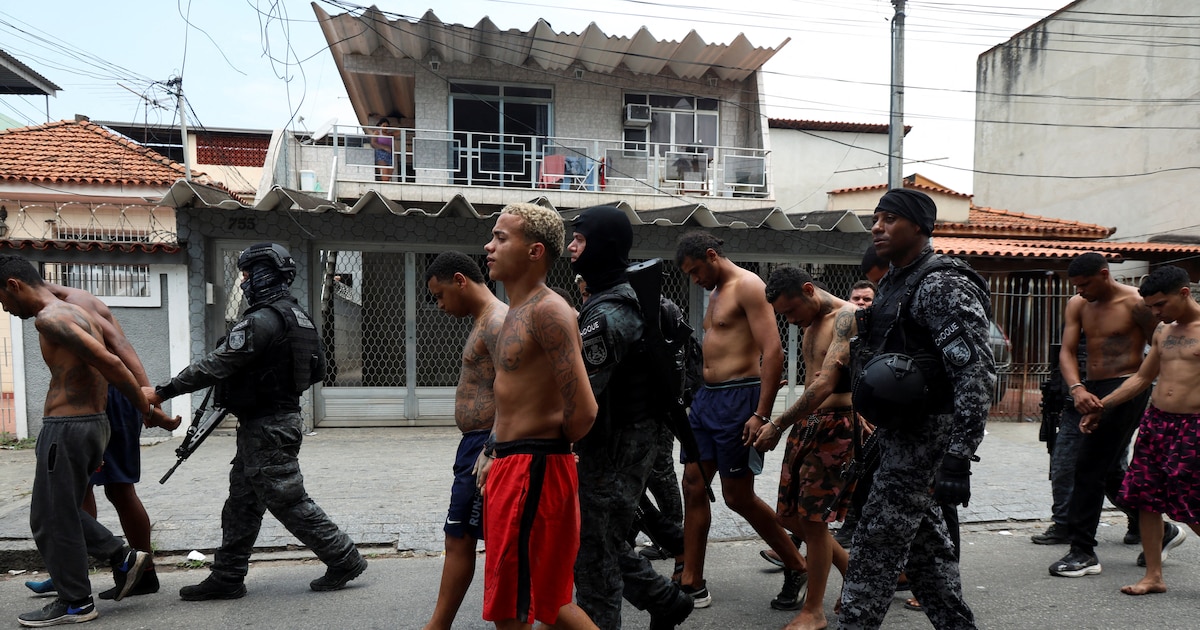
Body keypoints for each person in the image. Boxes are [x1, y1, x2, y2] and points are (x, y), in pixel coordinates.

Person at [145, 243, 367, 600]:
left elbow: (216, 365)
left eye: (247, 275)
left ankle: (343, 557)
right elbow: (314, 371)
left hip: (268, 425)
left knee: (287, 500)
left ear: (264, 276)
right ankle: (228, 576)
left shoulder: (262, 320)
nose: (244, 281)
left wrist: (162, 392)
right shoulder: (298, 317)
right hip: (269, 422)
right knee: (242, 503)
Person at [841, 188, 994, 629]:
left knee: (874, 548)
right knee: (926, 550)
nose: (877, 227)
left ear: (921, 228)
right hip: (898, 431)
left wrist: (959, 456)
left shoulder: (941, 283)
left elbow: (975, 374)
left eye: (889, 219)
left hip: (927, 433)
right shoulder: (893, 280)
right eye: (876, 218)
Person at [0, 254, 152, 627]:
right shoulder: (78, 309)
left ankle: (78, 600)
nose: (3, 307)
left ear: (14, 285)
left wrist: (149, 410)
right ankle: (118, 561)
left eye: (1, 299)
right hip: (87, 425)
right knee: (53, 511)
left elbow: (112, 362)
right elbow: (114, 348)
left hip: (68, 427)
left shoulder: (51, 318)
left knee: (55, 514)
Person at [567, 205, 694, 629]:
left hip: (614, 448)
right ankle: (665, 601)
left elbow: (581, 393)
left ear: (602, 246)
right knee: (602, 540)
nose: (571, 246)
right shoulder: (633, 298)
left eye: (579, 239)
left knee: (595, 557)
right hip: (627, 442)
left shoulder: (608, 314)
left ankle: (616, 618)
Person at [480, 202, 599, 629]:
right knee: (544, 602)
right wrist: (495, 450)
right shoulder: (516, 308)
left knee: (516, 608)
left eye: (500, 238)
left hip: (534, 468)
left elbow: (584, 409)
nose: (489, 246)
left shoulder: (549, 310)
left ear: (534, 251)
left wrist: (550, 451)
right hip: (515, 464)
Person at [22, 284, 180, 600]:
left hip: (108, 402)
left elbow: (119, 350)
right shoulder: (65, 303)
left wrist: (149, 403)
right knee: (83, 490)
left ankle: (137, 571)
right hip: (104, 402)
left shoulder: (75, 302)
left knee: (111, 490)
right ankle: (74, 571)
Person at [674, 231, 803, 608]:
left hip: (738, 400)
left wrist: (761, 413)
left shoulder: (749, 285)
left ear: (712, 255)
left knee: (737, 496)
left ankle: (796, 564)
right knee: (693, 484)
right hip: (706, 400)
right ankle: (691, 579)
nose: (695, 280)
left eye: (697, 271)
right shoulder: (715, 292)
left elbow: (773, 350)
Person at [1080, 265, 1199, 596]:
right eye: (1151, 306)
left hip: (1194, 427)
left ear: (1184, 293)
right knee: (1146, 498)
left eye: (1160, 305)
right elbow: (1142, 378)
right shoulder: (1163, 330)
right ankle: (1154, 576)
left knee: (1191, 503)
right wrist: (1102, 406)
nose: (1155, 313)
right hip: (1157, 422)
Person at [1047, 252, 1166, 578]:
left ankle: (1082, 550)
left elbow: (1160, 349)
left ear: (1104, 274)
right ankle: (1161, 530)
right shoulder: (1078, 304)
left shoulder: (1136, 304)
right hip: (1090, 388)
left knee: (1087, 466)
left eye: (1085, 284)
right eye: (1076, 286)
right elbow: (1067, 351)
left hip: (1129, 388)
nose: (1080, 290)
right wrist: (1077, 389)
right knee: (1110, 468)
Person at [754, 266, 857, 629]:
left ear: (809, 290)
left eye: (790, 311)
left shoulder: (847, 317)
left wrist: (777, 424)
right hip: (808, 424)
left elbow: (827, 382)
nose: (790, 321)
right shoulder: (812, 321)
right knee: (788, 515)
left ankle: (814, 612)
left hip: (836, 427)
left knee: (814, 522)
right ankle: (855, 575)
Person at [422, 251, 508, 630]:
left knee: (464, 537)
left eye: (440, 295)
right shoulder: (483, 321)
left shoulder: (498, 321)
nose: (439, 306)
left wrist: (493, 445)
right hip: (477, 445)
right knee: (460, 536)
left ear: (460, 280)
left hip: (487, 447)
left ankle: (438, 626)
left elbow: (516, 389)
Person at [371, 117, 396, 181]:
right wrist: (384, 147)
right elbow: (373, 143)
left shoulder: (389, 134)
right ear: (380, 125)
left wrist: (392, 127)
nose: (385, 127)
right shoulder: (377, 132)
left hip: (390, 156)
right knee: (385, 176)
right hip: (381, 155)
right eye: (384, 126)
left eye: (387, 126)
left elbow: (399, 131)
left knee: (389, 176)